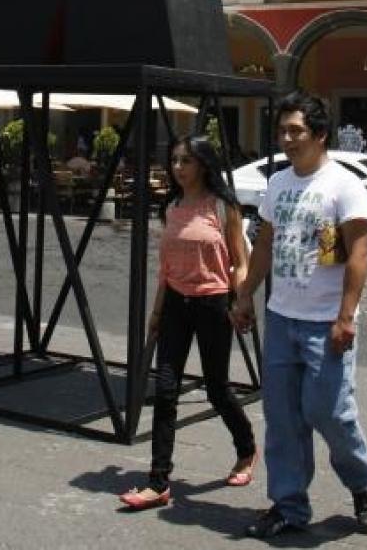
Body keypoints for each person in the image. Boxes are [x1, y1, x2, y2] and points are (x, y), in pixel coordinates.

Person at [232, 92, 367, 538]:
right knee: (282, 419)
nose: (287, 138)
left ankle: (362, 482)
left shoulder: (344, 185)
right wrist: (245, 296)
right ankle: (289, 506)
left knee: (330, 412)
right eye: (282, 131)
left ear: (319, 134)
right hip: (281, 318)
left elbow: (358, 252)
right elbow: (263, 245)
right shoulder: (278, 184)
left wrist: (346, 316)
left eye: (296, 130)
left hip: (325, 322)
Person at [119, 135, 256, 509]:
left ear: (204, 165)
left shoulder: (223, 207)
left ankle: (246, 449)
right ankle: (158, 481)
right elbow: (166, 268)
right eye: (175, 160)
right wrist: (157, 311)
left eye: (187, 161)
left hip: (213, 304)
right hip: (176, 305)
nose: (179, 168)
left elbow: (240, 261)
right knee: (165, 391)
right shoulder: (172, 206)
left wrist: (242, 300)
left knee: (216, 387)